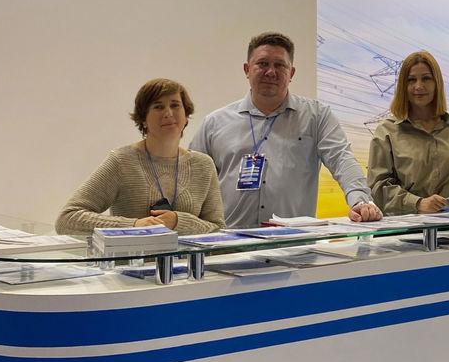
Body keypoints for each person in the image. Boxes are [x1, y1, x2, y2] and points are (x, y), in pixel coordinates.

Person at [190, 32, 382, 228]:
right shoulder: (214, 123)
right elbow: (191, 177)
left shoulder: (316, 116)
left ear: (291, 73)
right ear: (247, 69)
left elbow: (342, 159)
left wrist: (360, 200)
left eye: (280, 65)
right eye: (262, 64)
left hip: (294, 242)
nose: (271, 72)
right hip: (230, 241)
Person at [56, 78, 225, 235]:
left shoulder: (203, 164)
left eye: (175, 105)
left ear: (186, 116)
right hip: (132, 258)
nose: (168, 113)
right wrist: (134, 225)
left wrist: (178, 221)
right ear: (143, 119)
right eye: (158, 107)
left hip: (189, 259)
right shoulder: (122, 161)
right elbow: (67, 219)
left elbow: (218, 229)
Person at [367, 51, 449, 214]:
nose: (418, 86)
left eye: (426, 78)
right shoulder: (387, 132)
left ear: (437, 83)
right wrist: (418, 204)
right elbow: (378, 188)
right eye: (411, 80)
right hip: (405, 228)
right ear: (403, 86)